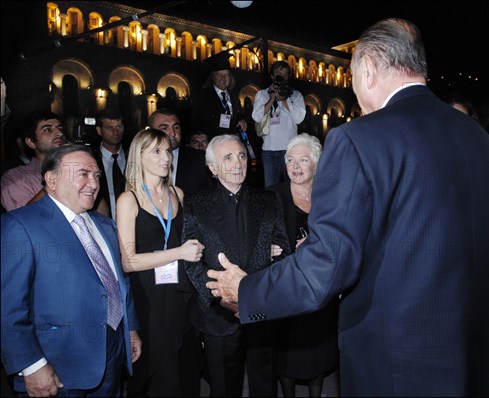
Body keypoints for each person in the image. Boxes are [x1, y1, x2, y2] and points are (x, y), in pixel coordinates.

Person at [206, 18, 489, 396]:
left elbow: (325, 267)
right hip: (471, 352)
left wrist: (247, 290)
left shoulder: (358, 139)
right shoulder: (478, 138)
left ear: (367, 69)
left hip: (396, 362)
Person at [1, 144, 141, 396]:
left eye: (97, 175)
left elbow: (120, 282)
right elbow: (8, 305)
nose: (94, 183)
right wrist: (31, 364)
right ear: (51, 180)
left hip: (111, 355)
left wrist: (130, 330)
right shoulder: (21, 225)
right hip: (57, 367)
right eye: (83, 174)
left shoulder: (105, 224)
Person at [182, 134, 291, 397]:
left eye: (241, 155)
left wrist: (271, 263)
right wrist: (220, 298)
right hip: (218, 315)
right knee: (223, 389)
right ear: (213, 168)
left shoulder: (268, 200)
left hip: (262, 311)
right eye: (228, 158)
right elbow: (191, 260)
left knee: (264, 385)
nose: (237, 163)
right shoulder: (195, 203)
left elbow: (283, 248)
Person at [116, 128, 205, 397]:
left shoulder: (177, 193)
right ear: (138, 156)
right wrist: (178, 253)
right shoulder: (128, 200)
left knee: (186, 365)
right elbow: (128, 262)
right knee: (158, 370)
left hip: (182, 293)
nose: (166, 157)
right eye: (156, 151)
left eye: (167, 151)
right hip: (150, 298)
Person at [267, 133, 339, 397]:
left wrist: (317, 246)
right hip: (286, 287)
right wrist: (272, 249)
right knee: (288, 352)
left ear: (317, 164)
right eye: (290, 160)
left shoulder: (330, 196)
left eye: (303, 160)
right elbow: (259, 240)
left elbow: (342, 237)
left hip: (322, 287)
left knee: (317, 350)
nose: (295, 166)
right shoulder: (271, 197)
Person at [252, 60, 306, 187]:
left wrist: (285, 100)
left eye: (285, 75)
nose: (281, 77)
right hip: (268, 150)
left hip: (289, 151)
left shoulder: (296, 96)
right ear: (272, 76)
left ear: (288, 77)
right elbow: (256, 116)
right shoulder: (262, 94)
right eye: (278, 74)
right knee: (271, 189)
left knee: (292, 187)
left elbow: (299, 119)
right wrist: (271, 100)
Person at [1, 111, 67, 211]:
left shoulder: (76, 168)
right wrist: (56, 181)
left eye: (60, 128)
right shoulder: (16, 177)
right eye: (47, 129)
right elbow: (24, 218)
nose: (59, 133)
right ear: (31, 142)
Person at [148, 108, 213, 195]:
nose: (172, 133)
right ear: (151, 132)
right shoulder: (143, 159)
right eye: (164, 128)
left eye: (176, 127)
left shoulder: (200, 159)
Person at [198, 56, 247, 137]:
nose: (223, 78)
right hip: (213, 142)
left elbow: (239, 115)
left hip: (231, 141)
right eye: (219, 74)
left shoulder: (234, 98)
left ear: (230, 78)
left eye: (226, 74)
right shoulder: (203, 97)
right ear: (213, 77)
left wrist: (241, 120)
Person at [94, 108, 126, 220]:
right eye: (110, 128)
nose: (115, 132)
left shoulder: (134, 157)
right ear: (99, 130)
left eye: (119, 127)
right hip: (103, 223)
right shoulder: (91, 160)